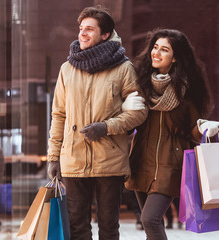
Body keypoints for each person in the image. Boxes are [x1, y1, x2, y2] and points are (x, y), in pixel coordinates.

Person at [46, 6, 148, 239]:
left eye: (89, 29)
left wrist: (106, 127)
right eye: (81, 28)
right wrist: (53, 157)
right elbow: (59, 116)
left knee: (108, 227)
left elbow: (139, 113)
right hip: (73, 159)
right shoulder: (67, 69)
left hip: (109, 159)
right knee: (77, 226)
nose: (82, 33)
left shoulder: (123, 69)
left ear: (105, 34)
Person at [124, 29, 219, 240]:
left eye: (164, 50)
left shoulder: (185, 91)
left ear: (175, 57)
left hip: (170, 164)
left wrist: (203, 128)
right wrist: (126, 109)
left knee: (150, 219)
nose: (156, 53)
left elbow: (192, 131)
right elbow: (128, 126)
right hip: (141, 161)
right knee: (151, 227)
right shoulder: (141, 85)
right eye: (155, 47)